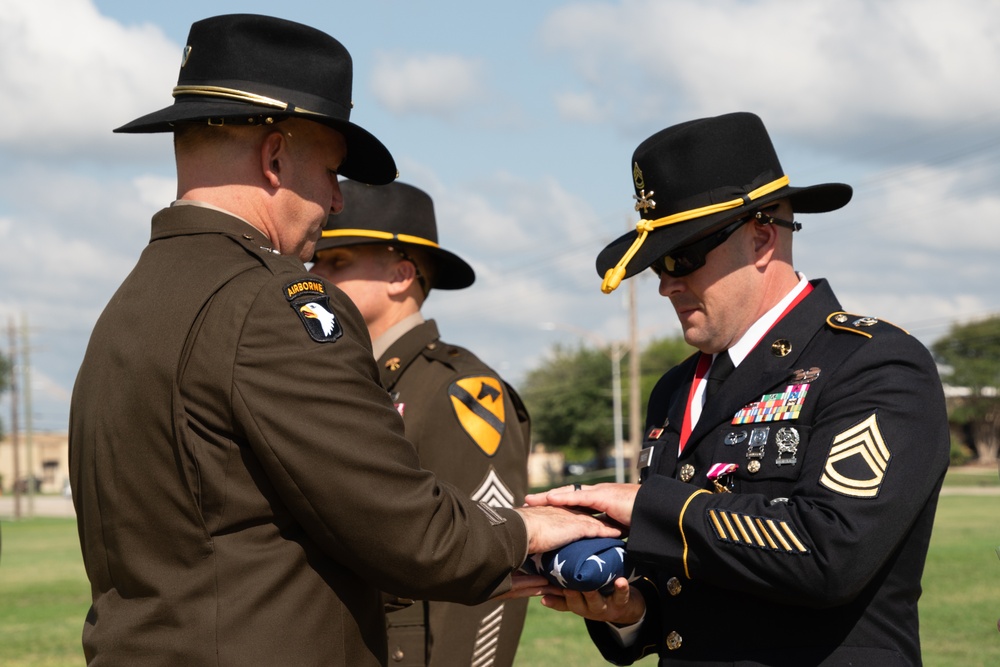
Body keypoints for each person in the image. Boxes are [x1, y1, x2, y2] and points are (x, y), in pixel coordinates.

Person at [67, 14, 616, 666]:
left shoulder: (129, 305)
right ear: (274, 158)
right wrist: (526, 529)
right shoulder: (272, 301)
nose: (333, 201)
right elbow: (406, 527)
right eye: (330, 171)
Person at [525, 112, 950, 665]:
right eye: (657, 266)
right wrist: (631, 613)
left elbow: (831, 553)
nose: (667, 285)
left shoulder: (874, 363)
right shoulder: (676, 388)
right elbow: (690, 589)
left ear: (762, 239)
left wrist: (649, 506)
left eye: (683, 257)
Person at [310, 180, 531, 667]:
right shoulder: (349, 383)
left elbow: (490, 567)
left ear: (401, 275)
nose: (315, 276)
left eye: (337, 262)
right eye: (315, 261)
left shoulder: (461, 391)